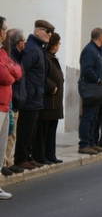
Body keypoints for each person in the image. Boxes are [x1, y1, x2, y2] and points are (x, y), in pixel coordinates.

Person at [14, 20, 54, 170]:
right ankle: (20, 158)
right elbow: (21, 70)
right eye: (47, 31)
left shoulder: (38, 48)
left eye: (51, 32)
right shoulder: (31, 48)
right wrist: (25, 92)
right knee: (25, 130)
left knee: (32, 131)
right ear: (37, 31)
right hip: (29, 97)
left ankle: (28, 156)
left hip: (36, 97)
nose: (50, 34)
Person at [32, 32, 64, 164]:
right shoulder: (46, 57)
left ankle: (51, 155)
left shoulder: (52, 57)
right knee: (44, 130)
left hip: (55, 102)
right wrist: (52, 87)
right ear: (54, 45)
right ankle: (41, 155)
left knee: (51, 130)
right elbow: (41, 76)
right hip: (48, 101)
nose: (59, 46)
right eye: (59, 43)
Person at [0, 16, 22, 199]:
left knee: (1, 149)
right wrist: (10, 74)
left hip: (5, 106)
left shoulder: (2, 53)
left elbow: (17, 70)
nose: (5, 33)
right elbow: (6, 77)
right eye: (4, 29)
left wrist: (10, 73)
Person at [78, 28, 102, 155]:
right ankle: (84, 144)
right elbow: (87, 69)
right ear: (100, 38)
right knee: (88, 116)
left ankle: (91, 142)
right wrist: (98, 79)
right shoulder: (90, 50)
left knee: (94, 116)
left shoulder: (97, 51)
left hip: (96, 89)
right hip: (90, 88)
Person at [2, 29, 26, 174]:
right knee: (7, 133)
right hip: (10, 99)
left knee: (12, 133)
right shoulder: (8, 55)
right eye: (23, 40)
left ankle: (9, 161)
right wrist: (13, 74)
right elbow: (8, 76)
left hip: (14, 99)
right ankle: (4, 162)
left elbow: (17, 71)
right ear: (18, 42)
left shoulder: (17, 56)